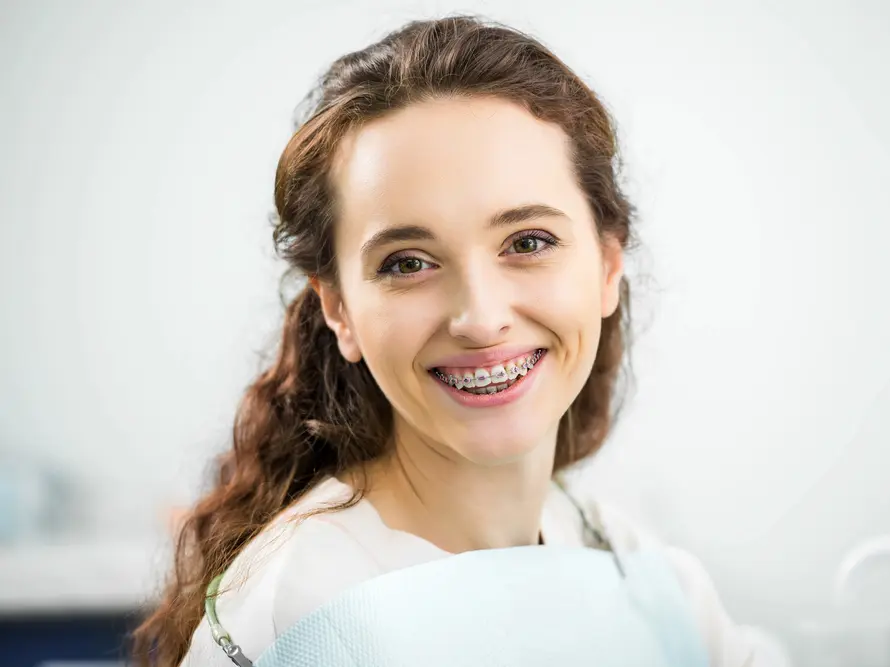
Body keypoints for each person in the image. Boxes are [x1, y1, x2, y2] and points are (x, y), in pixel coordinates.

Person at [131, 14, 756, 667]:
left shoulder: (648, 578)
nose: (480, 318)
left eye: (528, 243)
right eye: (407, 262)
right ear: (339, 308)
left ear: (605, 267)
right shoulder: (301, 616)